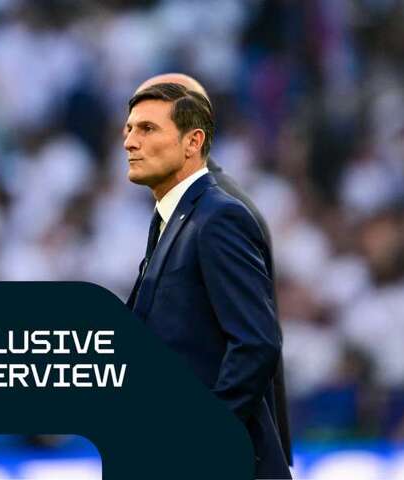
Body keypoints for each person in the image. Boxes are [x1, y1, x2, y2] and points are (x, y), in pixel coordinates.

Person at [124, 82, 291, 479]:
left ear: (192, 142)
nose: (130, 142)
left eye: (147, 129)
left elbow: (256, 341)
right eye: (129, 129)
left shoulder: (217, 218)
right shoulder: (170, 221)